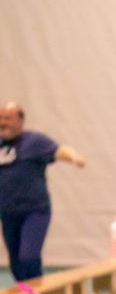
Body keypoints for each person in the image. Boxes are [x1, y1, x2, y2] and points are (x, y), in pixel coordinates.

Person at [0, 102, 85, 281]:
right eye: (0, 118)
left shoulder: (34, 141)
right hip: (8, 215)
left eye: (8, 118)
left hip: (34, 212)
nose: (3, 123)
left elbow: (59, 150)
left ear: (20, 121)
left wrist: (73, 157)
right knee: (16, 264)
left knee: (28, 257)